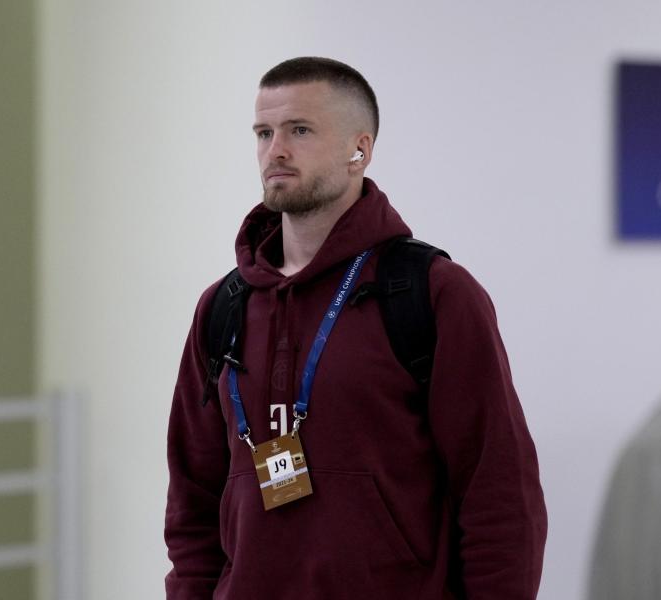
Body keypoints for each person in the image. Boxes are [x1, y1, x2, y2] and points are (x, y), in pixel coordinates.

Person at [165, 56, 547, 600]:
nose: (275, 150)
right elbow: (191, 502)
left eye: (299, 130)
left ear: (359, 150)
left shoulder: (433, 292)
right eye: (264, 132)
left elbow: (500, 497)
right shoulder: (222, 308)